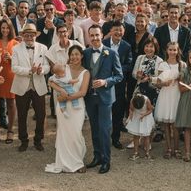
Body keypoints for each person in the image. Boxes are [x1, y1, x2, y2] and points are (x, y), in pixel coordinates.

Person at [82, 25, 124, 174]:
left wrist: (105, 81)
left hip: (105, 97)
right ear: (89, 36)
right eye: (91, 35)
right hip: (90, 98)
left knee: (105, 129)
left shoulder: (111, 53)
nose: (94, 38)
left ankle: (106, 160)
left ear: (102, 35)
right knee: (94, 129)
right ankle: (97, 156)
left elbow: (119, 76)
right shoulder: (85, 53)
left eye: (97, 35)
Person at [45, 45, 90, 173]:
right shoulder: (64, 68)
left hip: (77, 107)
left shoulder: (85, 73)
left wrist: (66, 98)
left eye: (77, 54)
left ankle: (77, 161)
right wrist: (61, 91)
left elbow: (83, 92)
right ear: (69, 56)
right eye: (72, 54)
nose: (74, 57)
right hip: (63, 108)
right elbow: (51, 81)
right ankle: (64, 162)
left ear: (81, 56)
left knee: (75, 133)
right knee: (64, 134)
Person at [11, 23, 50, 152]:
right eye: (26, 35)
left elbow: (47, 66)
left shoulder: (43, 48)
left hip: (38, 85)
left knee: (41, 114)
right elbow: (14, 68)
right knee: (22, 115)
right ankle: (23, 140)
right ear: (23, 36)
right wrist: (29, 71)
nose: (29, 37)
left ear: (35, 36)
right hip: (22, 86)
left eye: (31, 35)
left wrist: (41, 70)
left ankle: (38, 140)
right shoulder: (16, 49)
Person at [103, 21, 133, 149]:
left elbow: (129, 64)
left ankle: (115, 138)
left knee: (117, 112)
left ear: (123, 32)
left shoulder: (126, 46)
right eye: (115, 30)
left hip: (119, 84)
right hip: (104, 84)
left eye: (120, 30)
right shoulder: (103, 44)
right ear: (110, 31)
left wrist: (117, 69)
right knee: (104, 113)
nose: (118, 32)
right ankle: (103, 139)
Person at [154, 41, 185, 159]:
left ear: (178, 51)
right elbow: (157, 82)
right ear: (167, 51)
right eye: (170, 50)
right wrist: (163, 83)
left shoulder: (182, 65)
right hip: (165, 95)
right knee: (166, 124)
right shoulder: (162, 64)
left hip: (177, 94)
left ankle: (177, 148)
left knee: (176, 125)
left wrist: (179, 79)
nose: (172, 52)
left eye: (174, 50)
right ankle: (168, 148)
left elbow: (185, 81)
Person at [0, 20, 18, 143]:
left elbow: (20, 62)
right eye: (3, 28)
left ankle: (10, 131)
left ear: (11, 29)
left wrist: (11, 58)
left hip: (10, 75)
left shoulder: (15, 43)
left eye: (7, 28)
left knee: (11, 103)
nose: (5, 30)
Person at [125, 93, 155, 160]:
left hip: (146, 117)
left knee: (147, 136)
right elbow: (131, 109)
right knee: (136, 136)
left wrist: (144, 115)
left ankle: (147, 153)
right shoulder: (132, 100)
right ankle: (136, 153)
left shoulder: (146, 99)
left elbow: (150, 109)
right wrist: (131, 114)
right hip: (136, 117)